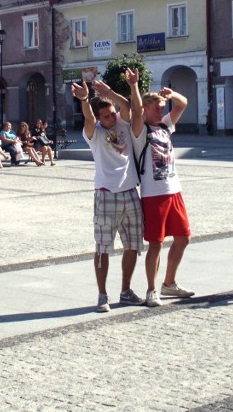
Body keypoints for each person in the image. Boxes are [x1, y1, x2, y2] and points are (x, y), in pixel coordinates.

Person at [71, 78, 145, 312]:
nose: (112, 118)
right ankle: (102, 295)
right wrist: (85, 99)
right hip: (106, 195)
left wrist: (110, 92)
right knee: (103, 247)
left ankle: (126, 291)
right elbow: (89, 119)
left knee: (133, 245)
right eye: (107, 116)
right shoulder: (94, 134)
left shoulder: (123, 124)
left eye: (112, 114)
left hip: (130, 192)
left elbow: (129, 107)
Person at [128, 69, 195, 307]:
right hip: (153, 195)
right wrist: (134, 86)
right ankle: (151, 290)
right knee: (155, 243)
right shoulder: (139, 131)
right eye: (156, 108)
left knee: (184, 238)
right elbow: (135, 111)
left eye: (162, 108)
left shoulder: (166, 126)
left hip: (173, 190)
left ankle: (169, 283)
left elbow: (182, 104)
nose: (161, 111)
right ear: (146, 110)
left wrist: (171, 94)